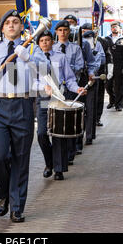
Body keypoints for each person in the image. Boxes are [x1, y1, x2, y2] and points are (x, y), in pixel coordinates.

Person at [0, 9, 46, 223]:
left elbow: (46, 74)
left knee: (20, 158)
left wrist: (30, 59)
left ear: (21, 27)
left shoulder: (33, 49)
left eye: (15, 22)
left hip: (23, 104)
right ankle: (4, 196)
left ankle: (17, 206)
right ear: (2, 27)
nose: (11, 25)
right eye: (7, 22)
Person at [35, 30, 86, 180]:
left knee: (59, 134)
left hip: (59, 98)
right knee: (42, 134)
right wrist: (43, 87)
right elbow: (32, 80)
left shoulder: (61, 57)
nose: (45, 42)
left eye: (47, 40)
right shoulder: (34, 59)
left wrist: (77, 88)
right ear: (39, 43)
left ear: (52, 41)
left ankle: (59, 169)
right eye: (42, 40)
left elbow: (69, 78)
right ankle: (49, 163)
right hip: (43, 99)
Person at [52, 20, 85, 162]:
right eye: (60, 30)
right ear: (56, 32)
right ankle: (60, 153)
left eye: (65, 30)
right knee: (58, 121)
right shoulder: (52, 48)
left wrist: (66, 69)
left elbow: (79, 66)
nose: (63, 33)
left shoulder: (75, 48)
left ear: (69, 31)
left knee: (70, 120)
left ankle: (71, 152)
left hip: (71, 86)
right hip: (57, 89)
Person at [105, 21, 123, 111]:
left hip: (120, 65)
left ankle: (118, 104)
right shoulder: (106, 39)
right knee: (108, 85)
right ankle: (112, 100)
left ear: (119, 28)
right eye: (113, 27)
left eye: (116, 27)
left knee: (118, 85)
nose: (114, 28)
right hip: (109, 65)